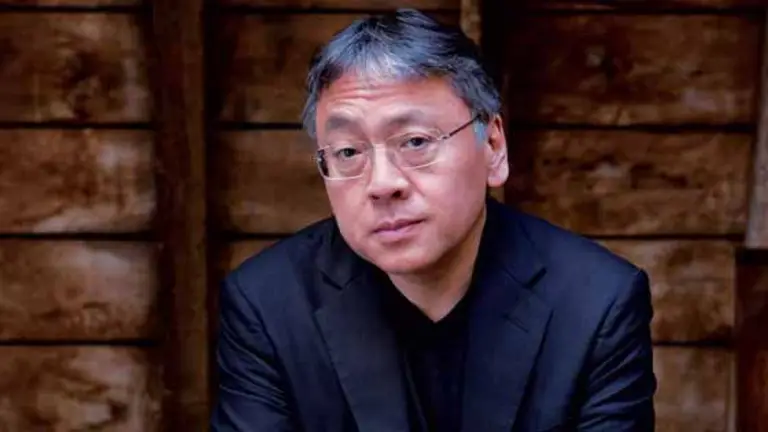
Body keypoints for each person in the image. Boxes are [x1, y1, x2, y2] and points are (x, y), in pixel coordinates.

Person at [210, 8, 656, 432]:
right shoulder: (268, 305)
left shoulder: (595, 304)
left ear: (493, 146)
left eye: (415, 142)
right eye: (347, 151)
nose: (382, 183)